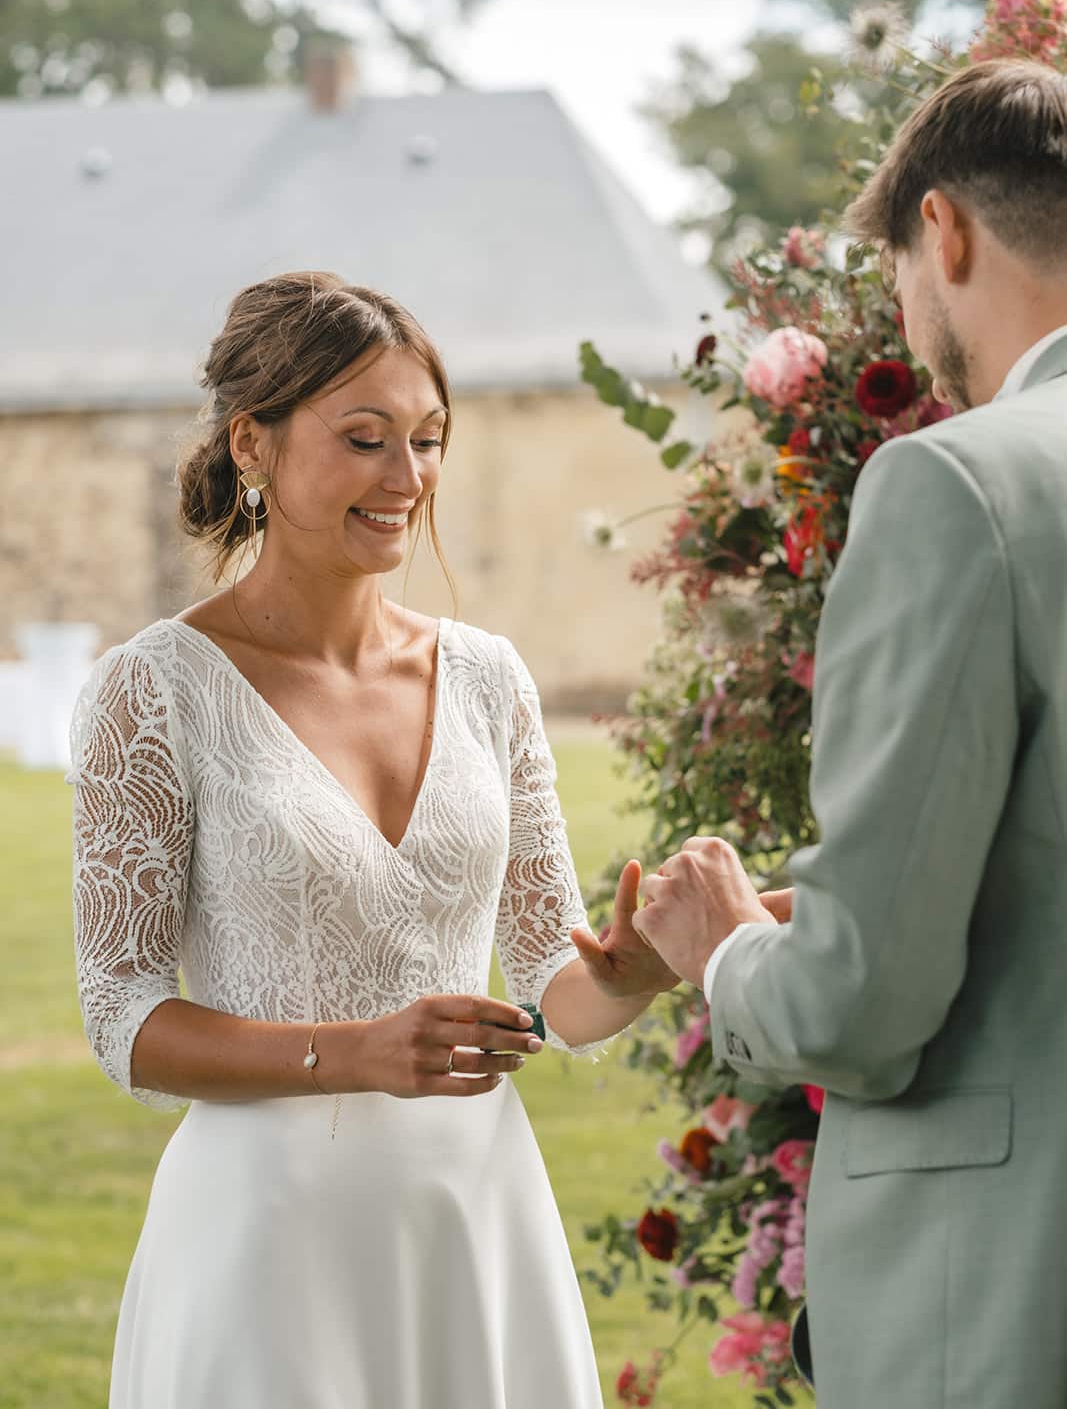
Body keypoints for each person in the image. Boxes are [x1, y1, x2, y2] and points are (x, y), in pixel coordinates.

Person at [69, 272, 678, 1409]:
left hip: (474, 1219)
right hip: (265, 1242)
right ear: (252, 443)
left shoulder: (489, 678)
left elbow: (554, 984)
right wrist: (354, 1053)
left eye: (427, 439)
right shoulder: (149, 690)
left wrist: (628, 974)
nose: (407, 480)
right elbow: (122, 1018)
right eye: (365, 439)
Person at [631, 58, 1067, 1408]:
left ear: (939, 231)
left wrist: (730, 953)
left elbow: (858, 1002)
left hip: (1005, 1298)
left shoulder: (959, 483)